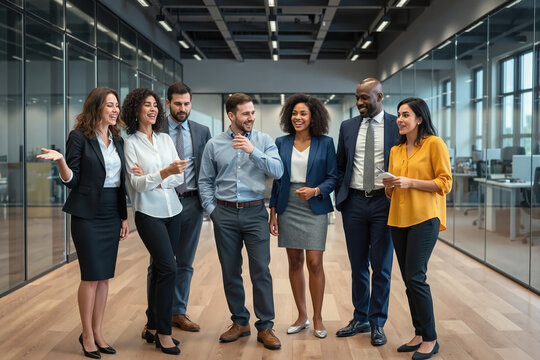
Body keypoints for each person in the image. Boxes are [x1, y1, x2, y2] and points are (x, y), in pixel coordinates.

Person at [37, 87, 129, 359]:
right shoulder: (79, 138)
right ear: (97, 107)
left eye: (117, 106)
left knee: (104, 278)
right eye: (109, 105)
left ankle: (98, 332)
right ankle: (86, 334)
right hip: (87, 215)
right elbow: (72, 181)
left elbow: (120, 184)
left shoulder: (118, 140)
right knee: (90, 276)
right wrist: (62, 162)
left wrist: (124, 216)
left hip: (112, 212)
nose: (115, 110)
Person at [198, 93, 284, 350]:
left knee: (261, 270)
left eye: (253, 113)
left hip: (255, 213)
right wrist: (212, 210)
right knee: (230, 270)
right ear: (231, 116)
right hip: (223, 214)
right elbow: (204, 181)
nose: (251, 118)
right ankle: (240, 321)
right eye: (246, 113)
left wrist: (253, 151)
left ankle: (266, 326)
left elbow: (278, 171)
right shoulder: (214, 144)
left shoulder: (263, 141)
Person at [382, 98, 452, 360]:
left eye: (406, 115)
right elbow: (392, 191)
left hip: (425, 218)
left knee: (415, 277)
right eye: (399, 115)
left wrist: (410, 182)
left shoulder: (434, 144)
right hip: (399, 219)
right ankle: (420, 332)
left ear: (419, 119)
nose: (399, 119)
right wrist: (389, 186)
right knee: (409, 281)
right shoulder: (396, 150)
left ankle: (431, 338)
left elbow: (445, 183)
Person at [140, 82, 211, 339]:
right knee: (159, 264)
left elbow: (207, 169)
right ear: (167, 103)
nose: (183, 108)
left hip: (191, 203)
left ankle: (178, 311)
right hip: (161, 202)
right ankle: (155, 318)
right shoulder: (153, 130)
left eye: (187, 103)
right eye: (178, 103)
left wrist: (209, 203)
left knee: (185, 262)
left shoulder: (202, 131)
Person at [123, 88, 188, 356]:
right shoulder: (130, 143)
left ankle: (151, 327)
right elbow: (136, 185)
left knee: (161, 270)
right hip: (148, 215)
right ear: (136, 109)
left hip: (174, 211)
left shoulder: (164, 139)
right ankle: (164, 332)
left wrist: (156, 176)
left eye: (154, 105)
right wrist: (163, 174)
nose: (152, 109)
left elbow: (178, 177)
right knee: (169, 268)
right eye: (146, 105)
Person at [335, 78, 399, 346]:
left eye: (365, 98)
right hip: (355, 203)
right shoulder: (347, 126)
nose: (359, 102)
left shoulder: (398, 125)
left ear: (379, 96)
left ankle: (377, 322)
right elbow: (340, 164)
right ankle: (360, 316)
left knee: (381, 267)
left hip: (385, 204)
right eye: (357, 97)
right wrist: (342, 198)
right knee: (358, 265)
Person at [268, 94, 337, 339]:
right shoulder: (281, 142)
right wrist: (273, 213)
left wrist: (316, 190)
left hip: (314, 206)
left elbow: (333, 177)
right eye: (295, 113)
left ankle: (318, 317)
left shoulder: (325, 143)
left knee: (315, 263)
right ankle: (301, 315)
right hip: (288, 206)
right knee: (294, 262)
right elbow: (277, 181)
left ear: (313, 117)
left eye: (303, 114)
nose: (298, 117)